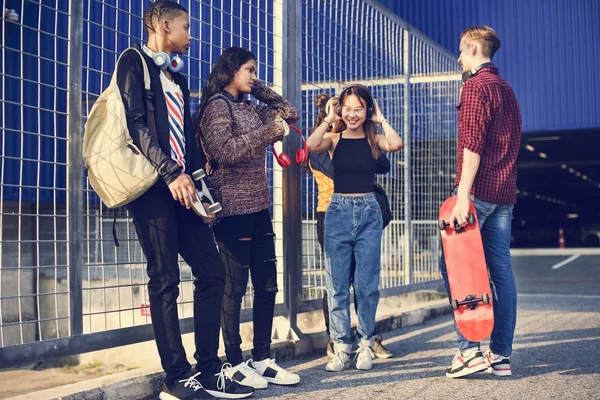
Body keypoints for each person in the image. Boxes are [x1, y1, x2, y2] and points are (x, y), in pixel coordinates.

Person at [117, 2, 254, 399]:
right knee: (165, 279)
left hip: (185, 188)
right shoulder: (133, 62)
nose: (190, 35)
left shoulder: (177, 77)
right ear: (163, 26)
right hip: (153, 188)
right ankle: (176, 379)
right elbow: (136, 124)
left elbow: (187, 139)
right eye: (185, 27)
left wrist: (199, 185)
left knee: (212, 273)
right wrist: (169, 172)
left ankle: (209, 369)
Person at [195, 47, 301, 389]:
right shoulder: (217, 107)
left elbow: (289, 112)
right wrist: (270, 133)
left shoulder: (249, 105)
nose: (255, 75)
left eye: (256, 70)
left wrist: (256, 87)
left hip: (259, 206)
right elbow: (225, 151)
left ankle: (262, 357)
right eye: (249, 69)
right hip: (231, 210)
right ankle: (235, 360)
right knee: (234, 288)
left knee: (267, 284)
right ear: (230, 71)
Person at [441, 25, 521, 378]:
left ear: (474, 48)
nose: (458, 56)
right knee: (501, 273)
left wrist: (462, 196)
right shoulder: (507, 89)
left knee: (456, 271)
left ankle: (470, 352)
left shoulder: (476, 86)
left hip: (478, 193)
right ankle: (501, 356)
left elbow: (472, 145)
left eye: (461, 50)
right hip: (504, 194)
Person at [306, 85, 403, 372]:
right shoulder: (334, 139)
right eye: (347, 108)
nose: (352, 114)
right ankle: (341, 348)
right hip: (336, 212)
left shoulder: (374, 139)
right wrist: (329, 118)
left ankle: (364, 345)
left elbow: (396, 144)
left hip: (368, 212)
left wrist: (380, 118)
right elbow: (311, 145)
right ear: (340, 109)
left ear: (367, 110)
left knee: (365, 285)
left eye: (358, 109)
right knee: (336, 286)